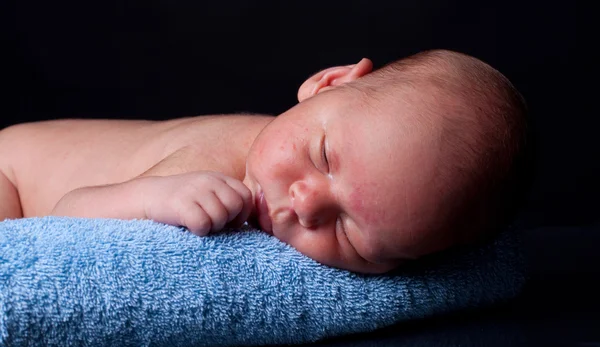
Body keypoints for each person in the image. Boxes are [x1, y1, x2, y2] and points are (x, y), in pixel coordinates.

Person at [0, 49, 529, 274]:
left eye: (351, 236)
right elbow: (67, 216)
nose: (305, 204)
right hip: (14, 171)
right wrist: (152, 197)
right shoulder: (211, 159)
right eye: (321, 156)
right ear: (327, 83)